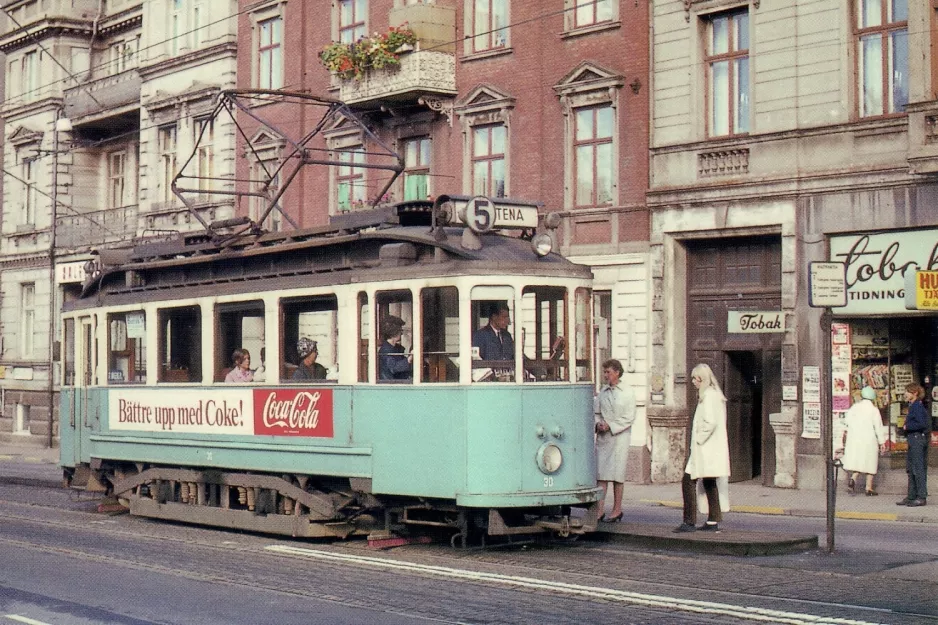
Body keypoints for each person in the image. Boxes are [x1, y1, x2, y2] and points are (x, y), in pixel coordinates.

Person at [674, 363, 730, 533]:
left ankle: (689, 521)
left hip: (705, 449)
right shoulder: (711, 395)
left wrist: (699, 439)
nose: (693, 382)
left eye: (695, 378)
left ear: (702, 379)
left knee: (688, 481)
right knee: (709, 481)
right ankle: (713, 520)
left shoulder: (709, 396)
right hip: (707, 449)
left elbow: (710, 422)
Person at [594, 358, 636, 523]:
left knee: (617, 476)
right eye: (604, 372)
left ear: (617, 372)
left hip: (619, 438)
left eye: (608, 372)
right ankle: (599, 510)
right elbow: (596, 412)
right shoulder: (603, 392)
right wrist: (598, 424)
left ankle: (617, 509)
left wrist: (610, 425)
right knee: (601, 475)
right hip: (604, 438)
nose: (606, 376)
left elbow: (629, 417)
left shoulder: (627, 392)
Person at [837, 386, 887, 496]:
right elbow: (878, 427)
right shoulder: (874, 410)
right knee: (870, 462)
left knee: (858, 461)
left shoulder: (854, 408)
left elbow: (846, 421)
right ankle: (868, 488)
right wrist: (882, 442)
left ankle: (853, 478)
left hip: (855, 439)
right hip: (869, 439)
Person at [898, 382, 929, 507]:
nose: (905, 394)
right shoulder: (913, 405)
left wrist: (907, 426)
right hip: (912, 438)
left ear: (915, 393)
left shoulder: (917, 406)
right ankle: (911, 495)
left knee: (918, 468)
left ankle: (921, 496)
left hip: (917, 438)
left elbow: (923, 424)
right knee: (911, 468)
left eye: (907, 392)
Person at [378, 316, 412, 381]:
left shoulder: (396, 349)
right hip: (391, 384)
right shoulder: (385, 350)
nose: (401, 333)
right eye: (400, 331)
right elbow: (394, 368)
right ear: (393, 332)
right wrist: (409, 359)